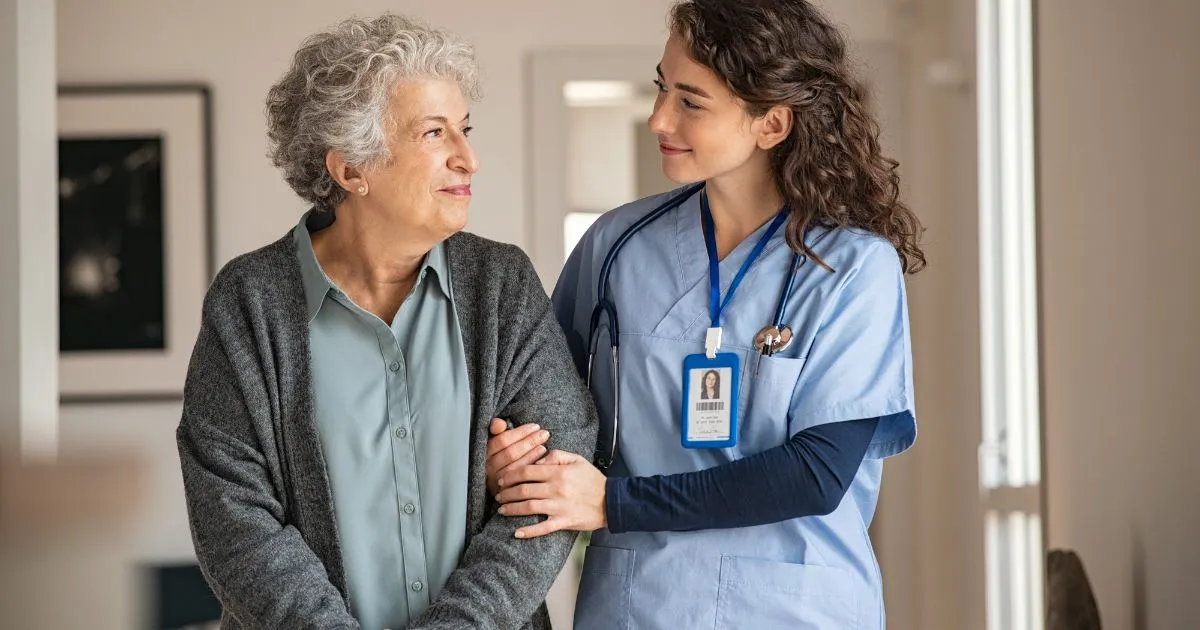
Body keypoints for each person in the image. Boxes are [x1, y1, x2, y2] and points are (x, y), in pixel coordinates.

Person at [484, 1, 924, 628]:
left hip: (793, 611)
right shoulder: (615, 247)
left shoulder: (851, 268)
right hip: (637, 605)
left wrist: (614, 503)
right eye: (662, 88)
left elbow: (817, 473)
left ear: (772, 123)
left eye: (691, 102)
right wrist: (516, 456)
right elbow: (543, 409)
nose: (658, 117)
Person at [175, 14, 596, 630]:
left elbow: (555, 480)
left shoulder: (501, 284)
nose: (469, 159)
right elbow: (234, 521)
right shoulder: (249, 302)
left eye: (464, 130)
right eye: (434, 133)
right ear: (351, 170)